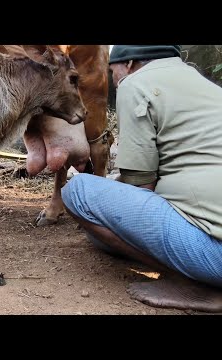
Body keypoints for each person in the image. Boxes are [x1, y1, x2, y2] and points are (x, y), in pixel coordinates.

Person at [62, 45, 222, 312]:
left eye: (112, 72)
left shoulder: (135, 84)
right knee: (98, 236)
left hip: (214, 254)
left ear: (130, 63)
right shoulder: (208, 88)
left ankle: (198, 285)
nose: (114, 80)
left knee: (77, 192)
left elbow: (141, 185)